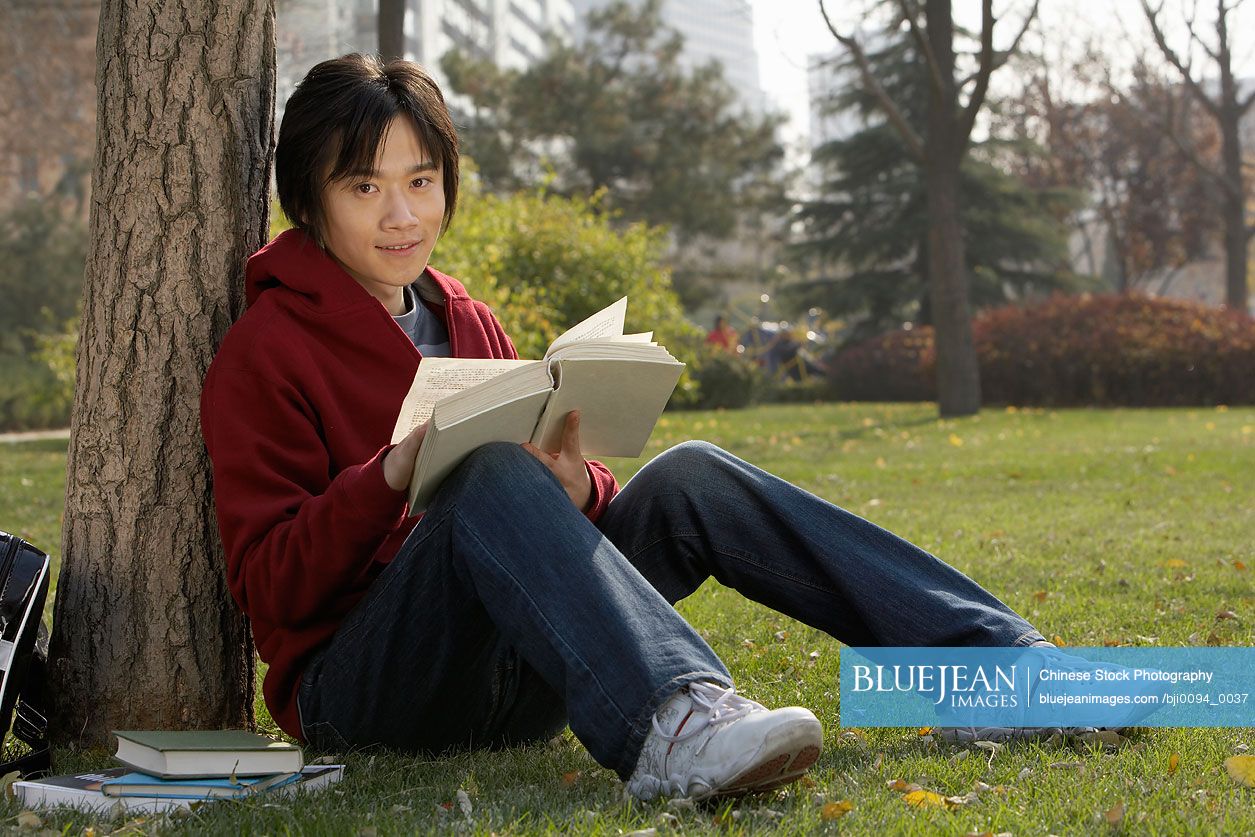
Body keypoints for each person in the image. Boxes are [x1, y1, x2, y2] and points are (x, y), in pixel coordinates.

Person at [201, 54, 1072, 803]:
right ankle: (674, 723)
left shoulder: (466, 317)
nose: (402, 216)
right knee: (486, 476)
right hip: (371, 692)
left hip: (518, 671)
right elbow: (268, 589)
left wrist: (580, 487)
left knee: (691, 474)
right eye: (365, 187)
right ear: (308, 203)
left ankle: (1007, 669)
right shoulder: (265, 348)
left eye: (420, 181)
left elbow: (545, 536)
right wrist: (391, 473)